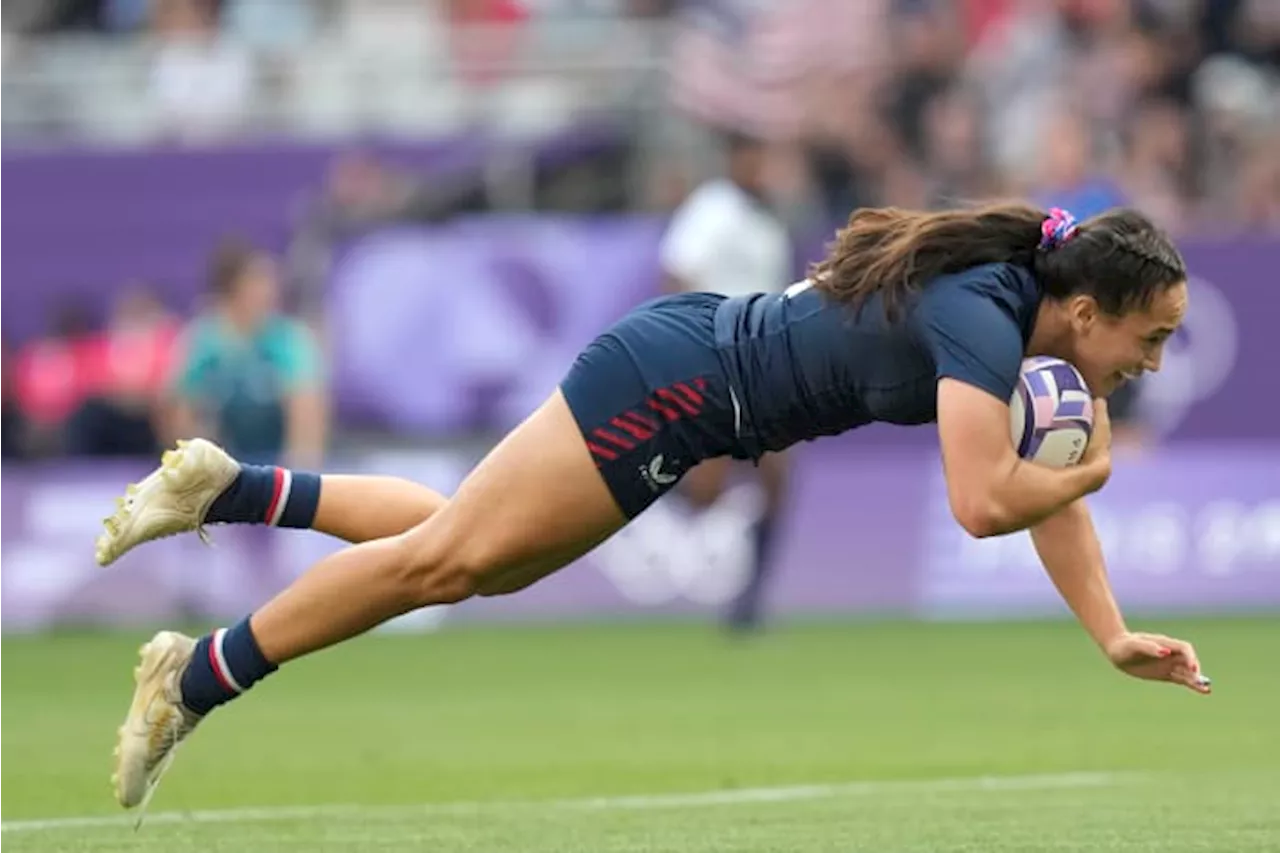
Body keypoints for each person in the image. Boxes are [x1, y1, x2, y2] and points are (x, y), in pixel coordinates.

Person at [99, 202, 1211, 821]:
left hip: (684, 364)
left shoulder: (1016, 324)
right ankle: (192, 678)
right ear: (1081, 308)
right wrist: (1087, 471)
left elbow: (1027, 486)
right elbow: (985, 502)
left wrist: (1108, 631)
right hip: (678, 389)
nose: (1150, 363)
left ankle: (228, 488)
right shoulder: (984, 317)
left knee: (468, 547)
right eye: (1149, 338)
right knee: (445, 562)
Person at [659, 129, 793, 631]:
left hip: (764, 366)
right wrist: (688, 338)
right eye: (756, 159)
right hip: (717, 360)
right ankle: (635, 484)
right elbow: (675, 272)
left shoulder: (768, 219)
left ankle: (750, 603)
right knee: (705, 492)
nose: (763, 170)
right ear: (736, 160)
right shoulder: (711, 208)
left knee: (778, 478)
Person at [167, 238, 327, 468]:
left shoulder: (289, 339)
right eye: (258, 281)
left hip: (276, 462)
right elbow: (178, 407)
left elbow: (307, 411)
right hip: (227, 462)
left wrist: (298, 476)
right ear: (232, 288)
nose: (271, 290)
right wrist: (199, 468)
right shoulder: (201, 339)